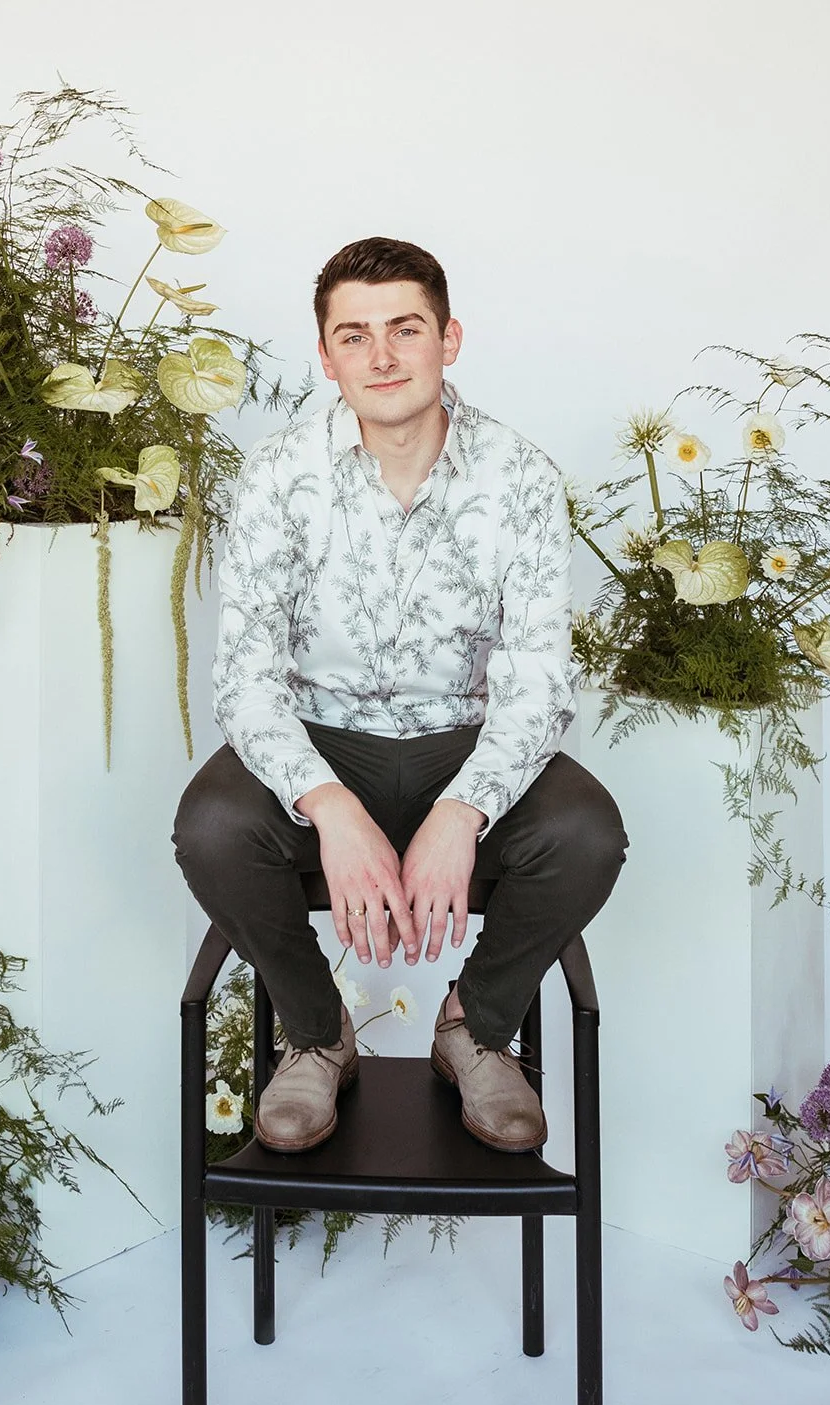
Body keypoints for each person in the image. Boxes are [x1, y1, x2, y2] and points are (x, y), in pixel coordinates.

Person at [173, 236, 628, 1156]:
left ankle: (475, 1028)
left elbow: (539, 681)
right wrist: (331, 810)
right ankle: (316, 1031)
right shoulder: (274, 476)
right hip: (319, 743)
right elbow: (247, 679)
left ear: (449, 338)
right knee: (211, 829)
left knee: (588, 835)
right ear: (327, 354)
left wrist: (462, 812)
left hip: (466, 739)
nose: (380, 355)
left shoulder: (522, 478)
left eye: (404, 328)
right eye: (354, 335)